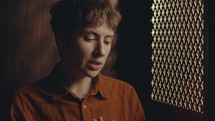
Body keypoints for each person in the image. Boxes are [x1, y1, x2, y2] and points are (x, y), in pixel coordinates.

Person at [10, 0, 146, 121]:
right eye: (90, 39)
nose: (101, 52)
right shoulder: (26, 102)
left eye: (107, 41)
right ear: (62, 39)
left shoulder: (126, 95)